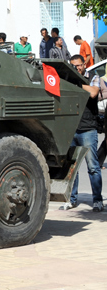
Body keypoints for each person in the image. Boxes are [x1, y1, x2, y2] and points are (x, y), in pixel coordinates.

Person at [61, 55, 103, 212]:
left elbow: (93, 92)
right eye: (73, 65)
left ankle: (97, 200)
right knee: (72, 168)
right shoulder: (68, 78)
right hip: (71, 129)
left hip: (88, 129)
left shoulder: (94, 77)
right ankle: (72, 200)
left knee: (93, 167)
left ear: (84, 65)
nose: (76, 68)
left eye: (78, 65)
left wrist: (77, 83)